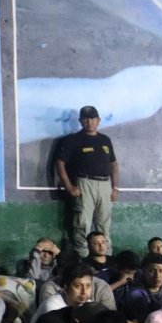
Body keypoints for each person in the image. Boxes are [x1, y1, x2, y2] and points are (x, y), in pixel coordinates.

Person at [54, 106, 118, 257]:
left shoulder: (105, 140)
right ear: (80, 121)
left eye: (93, 118)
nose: (90, 121)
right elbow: (59, 163)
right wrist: (68, 186)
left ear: (98, 120)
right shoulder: (72, 140)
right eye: (86, 118)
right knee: (82, 224)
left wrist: (115, 187)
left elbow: (113, 164)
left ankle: (106, 260)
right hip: (84, 183)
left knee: (105, 224)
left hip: (104, 185)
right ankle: (82, 260)